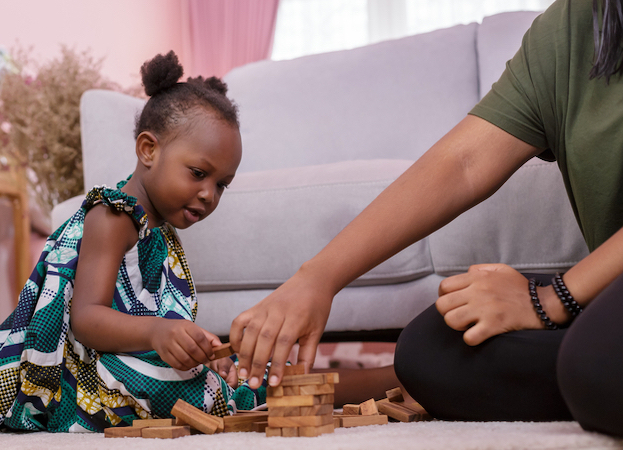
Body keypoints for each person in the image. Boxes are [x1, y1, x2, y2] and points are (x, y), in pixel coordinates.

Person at [229, 0, 623, 437]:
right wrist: (315, 279)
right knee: (431, 348)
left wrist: (552, 300)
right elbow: (464, 161)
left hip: (589, 304)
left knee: (594, 365)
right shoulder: (575, 25)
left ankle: (590, 368)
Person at [0, 51, 264, 441]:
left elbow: (148, 316)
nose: (208, 194)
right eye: (199, 173)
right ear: (148, 149)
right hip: (84, 375)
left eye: (221, 184)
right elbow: (86, 319)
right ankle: (236, 397)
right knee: (196, 388)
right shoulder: (112, 216)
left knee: (242, 365)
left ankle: (242, 390)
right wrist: (157, 334)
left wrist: (191, 346)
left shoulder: (159, 232)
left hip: (127, 358)